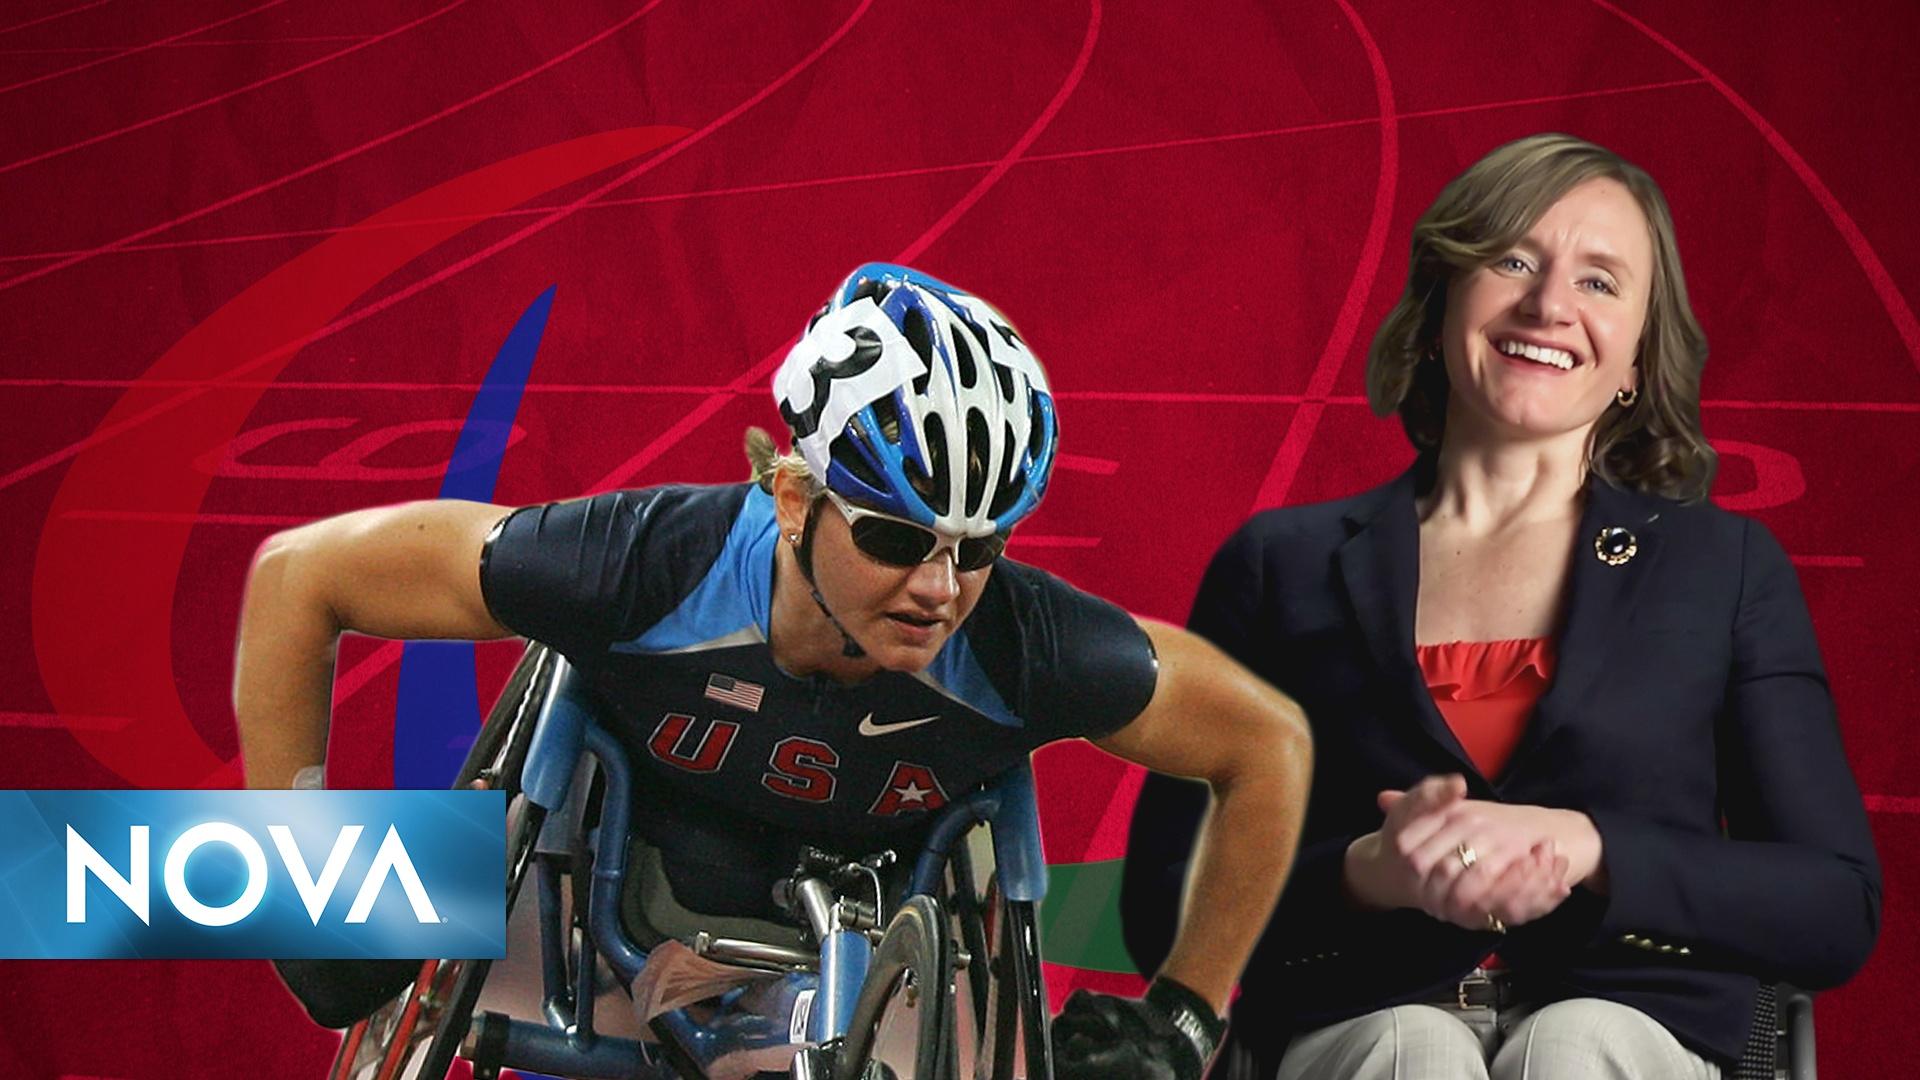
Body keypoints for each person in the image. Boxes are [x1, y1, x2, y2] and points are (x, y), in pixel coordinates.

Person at [234, 262, 1313, 1079]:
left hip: (864, 953)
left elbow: (1266, 744)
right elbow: (299, 578)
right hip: (609, 898)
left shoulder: (1025, 643)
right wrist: (297, 870)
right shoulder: (643, 563)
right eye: (897, 538)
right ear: (794, 498)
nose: (941, 587)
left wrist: (1183, 1019)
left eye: (978, 548)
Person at [1120, 134, 1880, 1079]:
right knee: (1414, 1054)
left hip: (1634, 1028)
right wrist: (1369, 873)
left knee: (1577, 1047)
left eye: (1600, 282)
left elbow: (1832, 905)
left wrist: (1590, 849)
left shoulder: (1727, 567)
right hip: (1361, 1027)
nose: (1549, 304)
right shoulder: (1280, 567)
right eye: (1513, 260)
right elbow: (1162, 907)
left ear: (1639, 357)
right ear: (1443, 304)